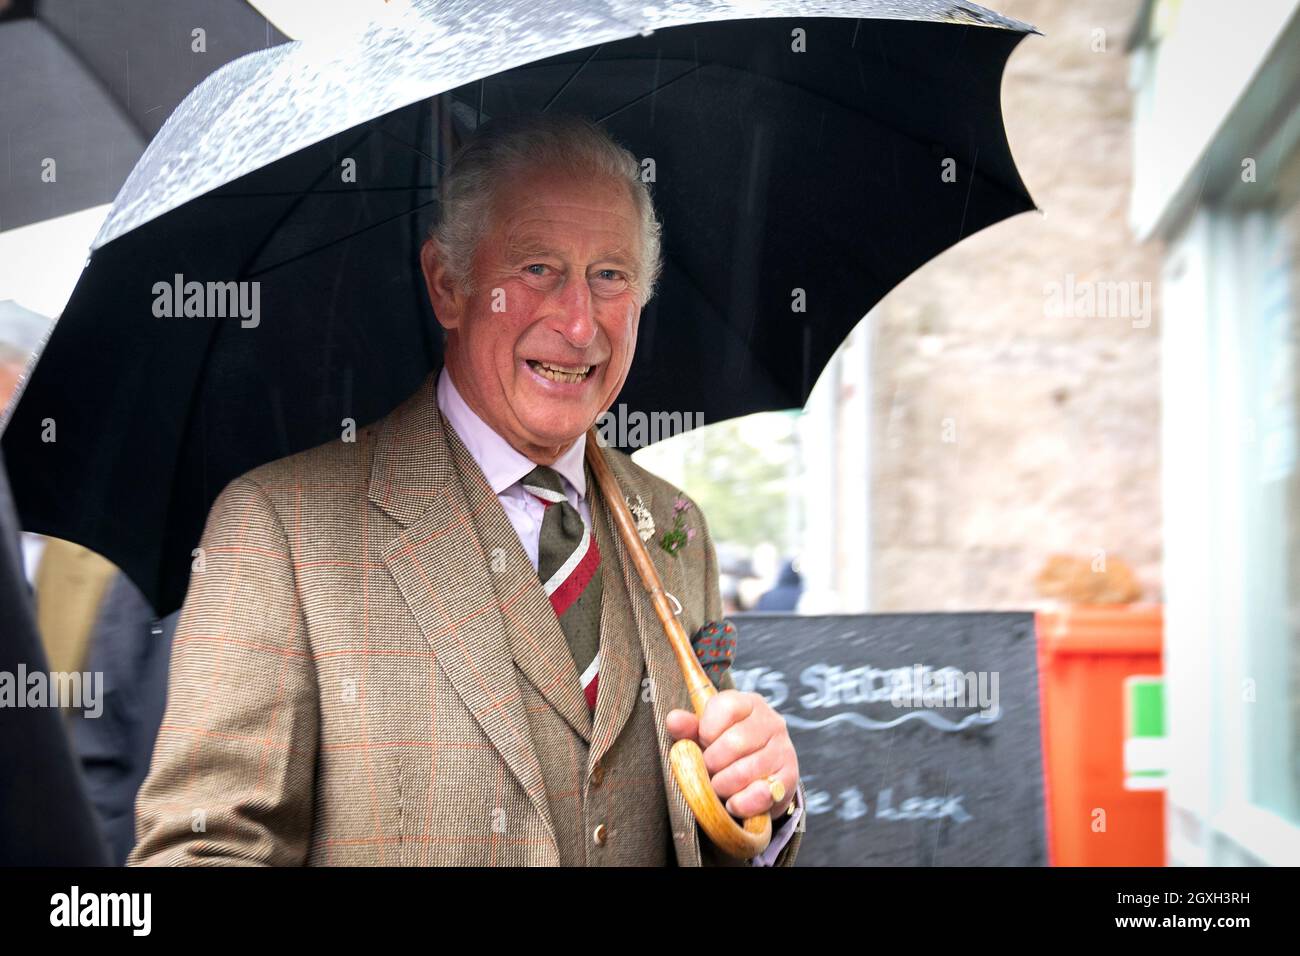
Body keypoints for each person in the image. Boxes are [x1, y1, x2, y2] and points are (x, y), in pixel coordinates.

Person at [129, 113, 804, 866]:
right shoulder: (279, 531)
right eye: (537, 268)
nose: (580, 324)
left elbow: (705, 825)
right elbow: (201, 852)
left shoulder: (677, 528)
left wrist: (761, 808)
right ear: (448, 286)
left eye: (609, 275)